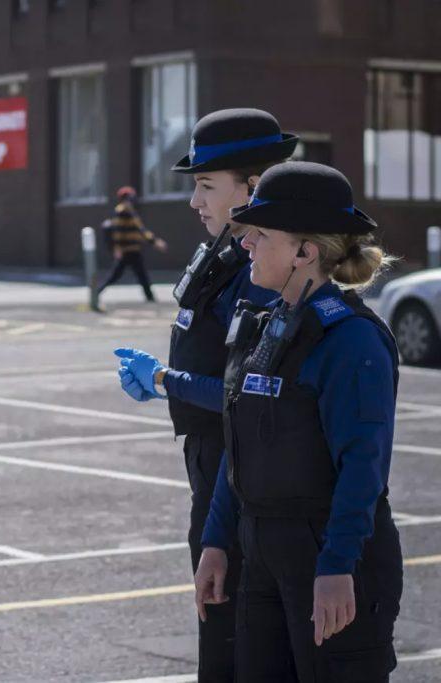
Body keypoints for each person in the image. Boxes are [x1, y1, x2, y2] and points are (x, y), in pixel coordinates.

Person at [193, 161, 402, 682]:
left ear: (305, 252)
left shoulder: (351, 340)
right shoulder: (270, 324)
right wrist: (217, 541)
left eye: (261, 234)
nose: (246, 243)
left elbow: (363, 466)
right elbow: (241, 444)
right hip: (262, 549)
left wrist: (337, 565)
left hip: (327, 551)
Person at [114, 108, 296, 682]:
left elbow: (253, 395)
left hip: (237, 471)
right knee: (219, 633)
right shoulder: (226, 255)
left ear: (254, 187)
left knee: (234, 639)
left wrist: (165, 380)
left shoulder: (261, 271)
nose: (195, 201)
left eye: (207, 186)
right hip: (211, 464)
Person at [94, 186, 167, 308]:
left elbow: (138, 230)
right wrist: (154, 241)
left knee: (136, 274)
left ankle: (149, 297)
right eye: (130, 197)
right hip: (127, 250)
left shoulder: (127, 210)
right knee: (120, 275)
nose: (133, 199)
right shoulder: (123, 211)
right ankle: (96, 292)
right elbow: (124, 231)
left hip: (132, 249)